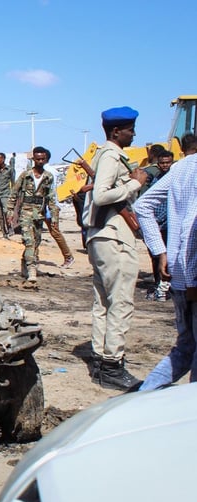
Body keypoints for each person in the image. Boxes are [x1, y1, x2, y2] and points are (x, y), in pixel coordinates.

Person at [82, 106, 147, 390]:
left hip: (102, 236)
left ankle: (100, 358)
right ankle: (112, 365)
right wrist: (133, 184)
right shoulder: (111, 156)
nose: (133, 134)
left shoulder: (104, 155)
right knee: (120, 302)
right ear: (116, 131)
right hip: (114, 237)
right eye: (130, 130)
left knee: (103, 303)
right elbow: (102, 194)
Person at [135, 153, 197, 391]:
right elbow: (193, 224)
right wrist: (193, 279)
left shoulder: (182, 167)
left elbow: (142, 205)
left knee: (185, 348)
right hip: (190, 278)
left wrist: (162, 251)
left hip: (181, 276)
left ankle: (143, 397)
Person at [6, 146, 58, 285]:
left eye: (42, 159)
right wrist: (10, 212)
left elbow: (51, 198)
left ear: (46, 159)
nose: (40, 161)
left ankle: (25, 264)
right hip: (26, 213)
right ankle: (32, 270)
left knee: (36, 242)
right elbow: (14, 193)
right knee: (29, 241)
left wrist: (54, 217)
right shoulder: (25, 175)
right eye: (37, 159)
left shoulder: (48, 177)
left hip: (39, 213)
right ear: (33, 159)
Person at [139, 149, 174, 301]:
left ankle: (167, 286)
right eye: (162, 163)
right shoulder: (155, 180)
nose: (165, 165)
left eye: (168, 162)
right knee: (156, 256)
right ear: (158, 164)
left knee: (168, 257)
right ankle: (158, 282)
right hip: (156, 224)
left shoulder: (174, 179)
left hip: (169, 226)